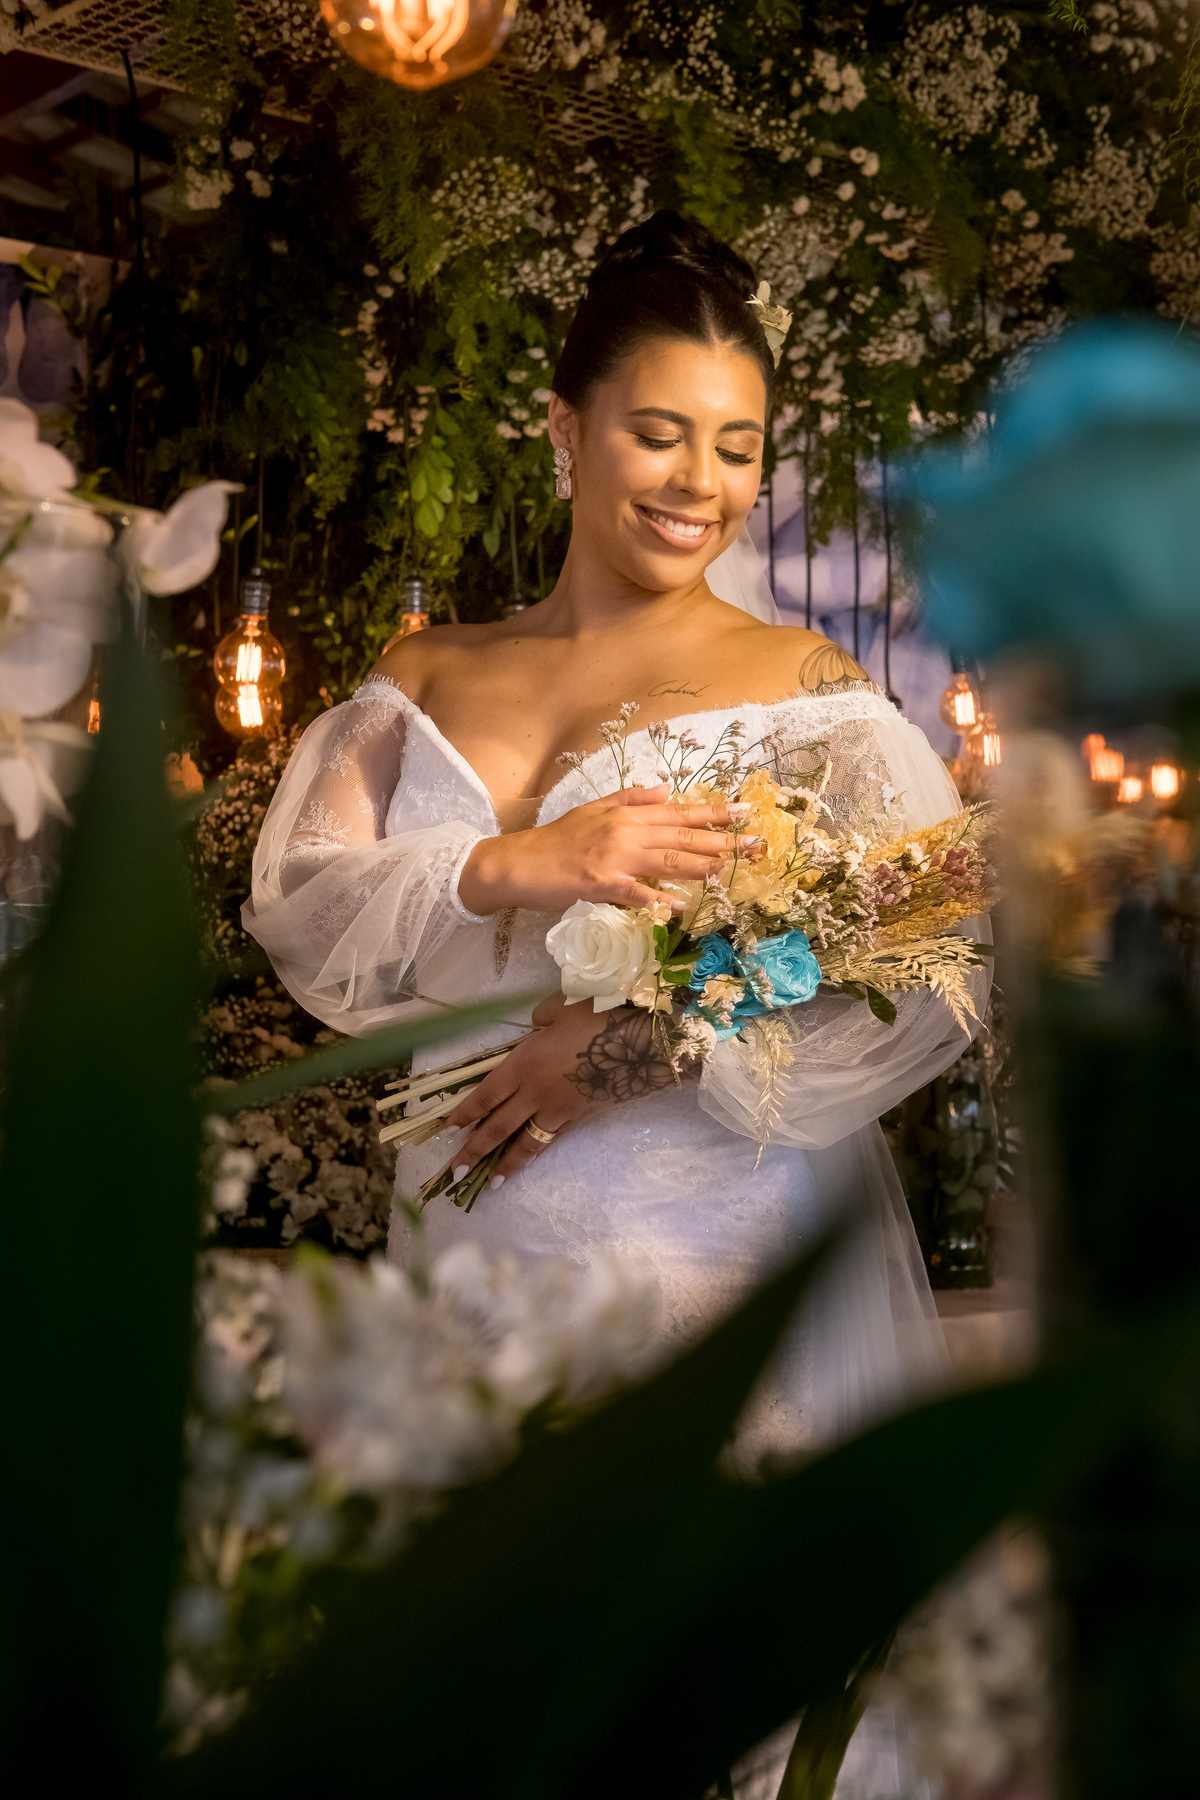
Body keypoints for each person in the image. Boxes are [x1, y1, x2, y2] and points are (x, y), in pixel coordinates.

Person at [244, 211, 989, 1464]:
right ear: (564, 430)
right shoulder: (426, 669)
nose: (700, 482)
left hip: (696, 1219)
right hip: (466, 1215)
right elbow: (301, 901)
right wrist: (507, 863)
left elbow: (936, 927)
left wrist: (654, 1039)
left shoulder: (803, 682)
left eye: (737, 449)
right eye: (657, 434)